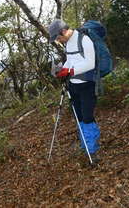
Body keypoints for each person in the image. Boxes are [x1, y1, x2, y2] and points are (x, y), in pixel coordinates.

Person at [48, 19, 100, 158]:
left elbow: (90, 63)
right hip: (73, 85)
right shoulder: (68, 44)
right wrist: (62, 70)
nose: (59, 41)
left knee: (87, 117)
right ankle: (85, 145)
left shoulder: (85, 40)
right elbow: (70, 60)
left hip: (87, 84)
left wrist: (70, 72)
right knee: (79, 117)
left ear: (64, 31)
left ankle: (92, 150)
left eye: (58, 37)